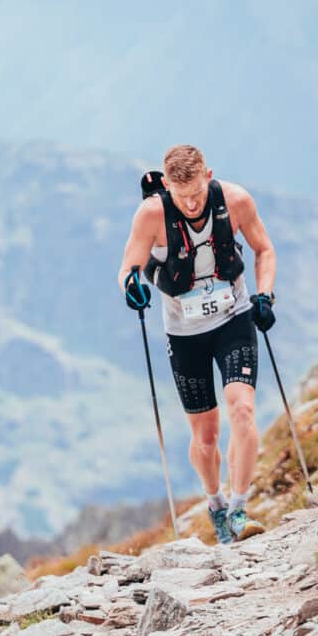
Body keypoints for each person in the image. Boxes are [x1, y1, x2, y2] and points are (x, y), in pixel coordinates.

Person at [117, 144, 278, 544]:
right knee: (205, 438)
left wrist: (265, 296)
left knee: (242, 408)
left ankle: (240, 508)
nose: (191, 204)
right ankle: (216, 504)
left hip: (233, 318)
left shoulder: (236, 200)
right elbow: (127, 269)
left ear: (209, 176)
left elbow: (264, 250)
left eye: (198, 194)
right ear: (167, 185)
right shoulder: (151, 215)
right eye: (181, 195)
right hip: (184, 332)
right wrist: (132, 287)